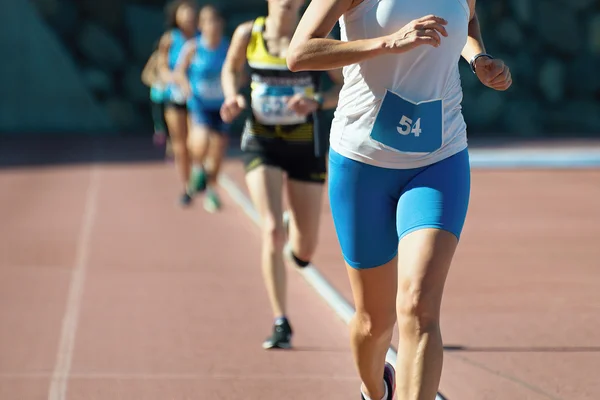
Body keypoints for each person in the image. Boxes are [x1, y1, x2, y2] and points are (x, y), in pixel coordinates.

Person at [287, 0, 512, 398]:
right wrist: (387, 43)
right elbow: (300, 52)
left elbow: (469, 17)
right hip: (362, 161)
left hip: (438, 157)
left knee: (418, 307)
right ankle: (375, 389)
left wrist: (479, 57)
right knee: (375, 323)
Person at [220, 0, 344, 349]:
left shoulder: (318, 35)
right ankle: (281, 320)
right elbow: (231, 69)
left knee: (304, 251)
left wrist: (317, 102)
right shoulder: (249, 33)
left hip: (305, 145)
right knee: (271, 230)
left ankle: (294, 234)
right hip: (261, 143)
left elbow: (347, 83)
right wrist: (232, 96)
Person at [175, 5, 230, 212]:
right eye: (208, 21)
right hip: (200, 104)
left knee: (218, 152)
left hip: (222, 106)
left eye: (216, 21)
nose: (212, 26)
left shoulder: (227, 47)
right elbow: (179, 72)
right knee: (201, 140)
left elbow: (238, 71)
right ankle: (198, 168)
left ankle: (212, 191)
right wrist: (187, 87)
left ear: (221, 24)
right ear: (201, 25)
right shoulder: (193, 48)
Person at [157, 0, 200, 206]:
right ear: (176, 16)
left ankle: (202, 177)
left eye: (192, 12)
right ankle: (186, 187)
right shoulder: (170, 39)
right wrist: (175, 78)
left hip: (198, 99)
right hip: (175, 98)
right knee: (180, 145)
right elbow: (162, 68)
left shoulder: (203, 38)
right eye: (184, 13)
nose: (189, 17)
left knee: (197, 142)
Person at [141, 44, 173, 161]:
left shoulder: (175, 57)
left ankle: (171, 150)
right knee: (161, 120)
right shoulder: (155, 58)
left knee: (173, 126)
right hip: (157, 96)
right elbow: (146, 75)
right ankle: (159, 130)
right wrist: (156, 81)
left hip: (171, 97)